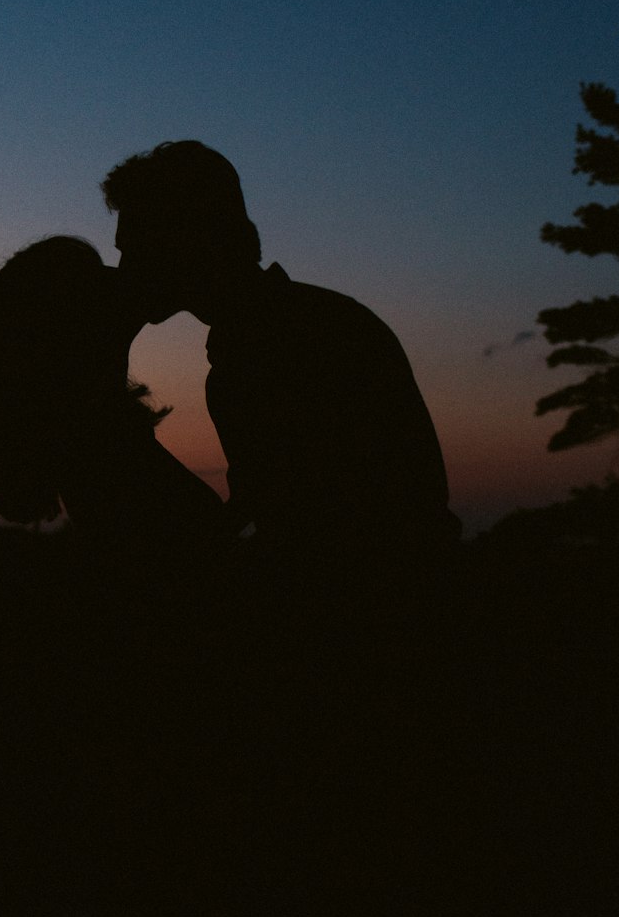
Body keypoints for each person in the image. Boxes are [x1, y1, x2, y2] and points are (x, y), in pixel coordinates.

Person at [101, 141, 461, 598]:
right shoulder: (292, 329)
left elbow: (319, 537)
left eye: (135, 248)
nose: (124, 268)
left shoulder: (286, 346)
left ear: (185, 239)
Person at [0, 235, 228, 566]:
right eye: (92, 281)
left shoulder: (101, 447)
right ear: (67, 330)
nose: (116, 275)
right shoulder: (106, 464)